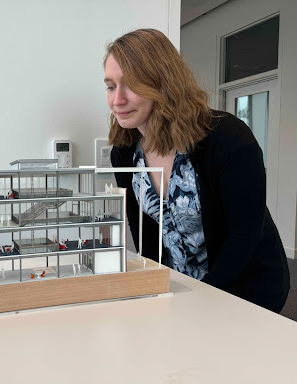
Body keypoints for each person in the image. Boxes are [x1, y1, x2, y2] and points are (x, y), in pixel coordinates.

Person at [105, 28, 289, 313]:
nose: (117, 100)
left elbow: (245, 234)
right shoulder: (124, 151)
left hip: (246, 286)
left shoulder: (227, 137)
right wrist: (153, 286)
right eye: (110, 86)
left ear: (161, 83)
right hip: (182, 286)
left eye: (131, 85)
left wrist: (206, 299)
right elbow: (141, 228)